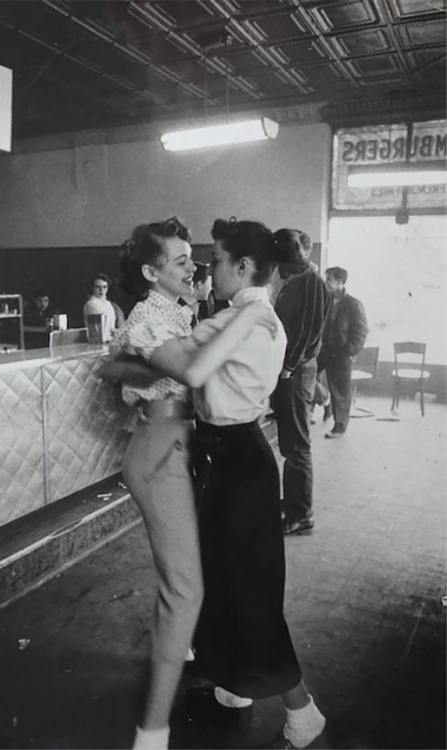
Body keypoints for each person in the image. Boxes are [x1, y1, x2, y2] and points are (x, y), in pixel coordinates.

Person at [146, 218, 326, 750]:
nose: (209, 269)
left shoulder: (240, 319)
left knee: (249, 592)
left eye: (217, 260)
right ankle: (234, 689)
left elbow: (179, 362)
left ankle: (304, 712)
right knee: (227, 582)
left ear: (243, 266)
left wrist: (139, 335)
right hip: (238, 456)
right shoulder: (260, 314)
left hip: (236, 462)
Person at [102, 217, 273, 750]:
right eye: (180, 260)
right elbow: (193, 368)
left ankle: (197, 658)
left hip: (183, 446)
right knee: (186, 590)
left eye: (194, 259)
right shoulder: (151, 317)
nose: (194, 266)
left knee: (199, 575)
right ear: (152, 271)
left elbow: (119, 368)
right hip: (161, 451)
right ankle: (152, 730)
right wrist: (250, 313)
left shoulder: (174, 310)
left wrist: (124, 368)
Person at [270, 229, 330, 536]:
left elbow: (308, 331)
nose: (278, 270)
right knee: (292, 444)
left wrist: (288, 367)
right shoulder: (297, 281)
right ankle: (294, 503)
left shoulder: (311, 283)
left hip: (296, 371)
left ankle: (301, 514)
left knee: (297, 446)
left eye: (281, 263)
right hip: (291, 370)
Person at [319, 266, 368, 439]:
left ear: (340, 283)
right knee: (307, 375)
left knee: (341, 391)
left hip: (342, 354)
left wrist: (349, 351)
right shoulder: (326, 300)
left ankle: (339, 427)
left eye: (330, 280)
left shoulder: (353, 304)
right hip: (325, 351)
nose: (326, 283)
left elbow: (361, 332)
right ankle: (325, 401)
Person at [83, 272, 125, 341]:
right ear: (92, 288)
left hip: (111, 340)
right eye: (98, 287)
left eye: (104, 287)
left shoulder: (108, 304)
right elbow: (101, 329)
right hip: (98, 342)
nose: (101, 290)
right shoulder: (91, 304)